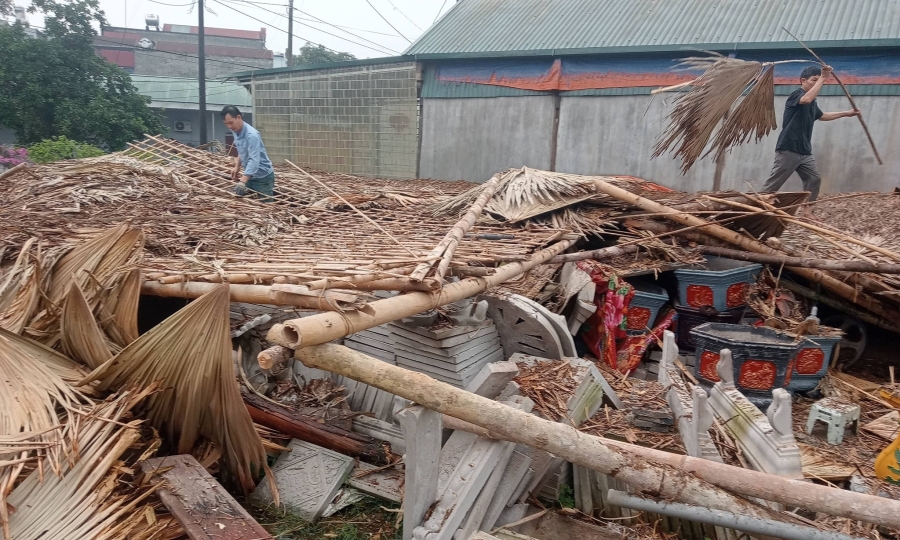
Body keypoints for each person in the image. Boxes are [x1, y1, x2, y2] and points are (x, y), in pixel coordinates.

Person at [761, 65, 859, 218]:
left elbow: (822, 116)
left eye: (818, 80)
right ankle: (755, 206)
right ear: (803, 81)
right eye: (814, 80)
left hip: (805, 151)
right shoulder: (796, 95)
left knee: (814, 179)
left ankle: (807, 211)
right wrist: (823, 77)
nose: (817, 83)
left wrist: (846, 113)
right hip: (789, 148)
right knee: (775, 182)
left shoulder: (813, 102)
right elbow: (806, 99)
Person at [220, 105, 275, 201]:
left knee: (265, 205)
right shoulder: (235, 130)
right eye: (226, 124)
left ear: (239, 117)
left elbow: (254, 160)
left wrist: (243, 180)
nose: (229, 126)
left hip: (263, 177)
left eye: (231, 123)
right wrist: (237, 167)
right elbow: (241, 150)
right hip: (250, 176)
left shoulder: (252, 135)